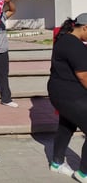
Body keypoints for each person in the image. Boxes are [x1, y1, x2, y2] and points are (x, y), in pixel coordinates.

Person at [47, 14, 87, 181]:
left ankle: (56, 163)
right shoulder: (73, 44)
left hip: (62, 92)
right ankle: (83, 173)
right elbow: (84, 76)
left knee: (66, 126)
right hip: (69, 94)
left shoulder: (67, 40)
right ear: (85, 28)